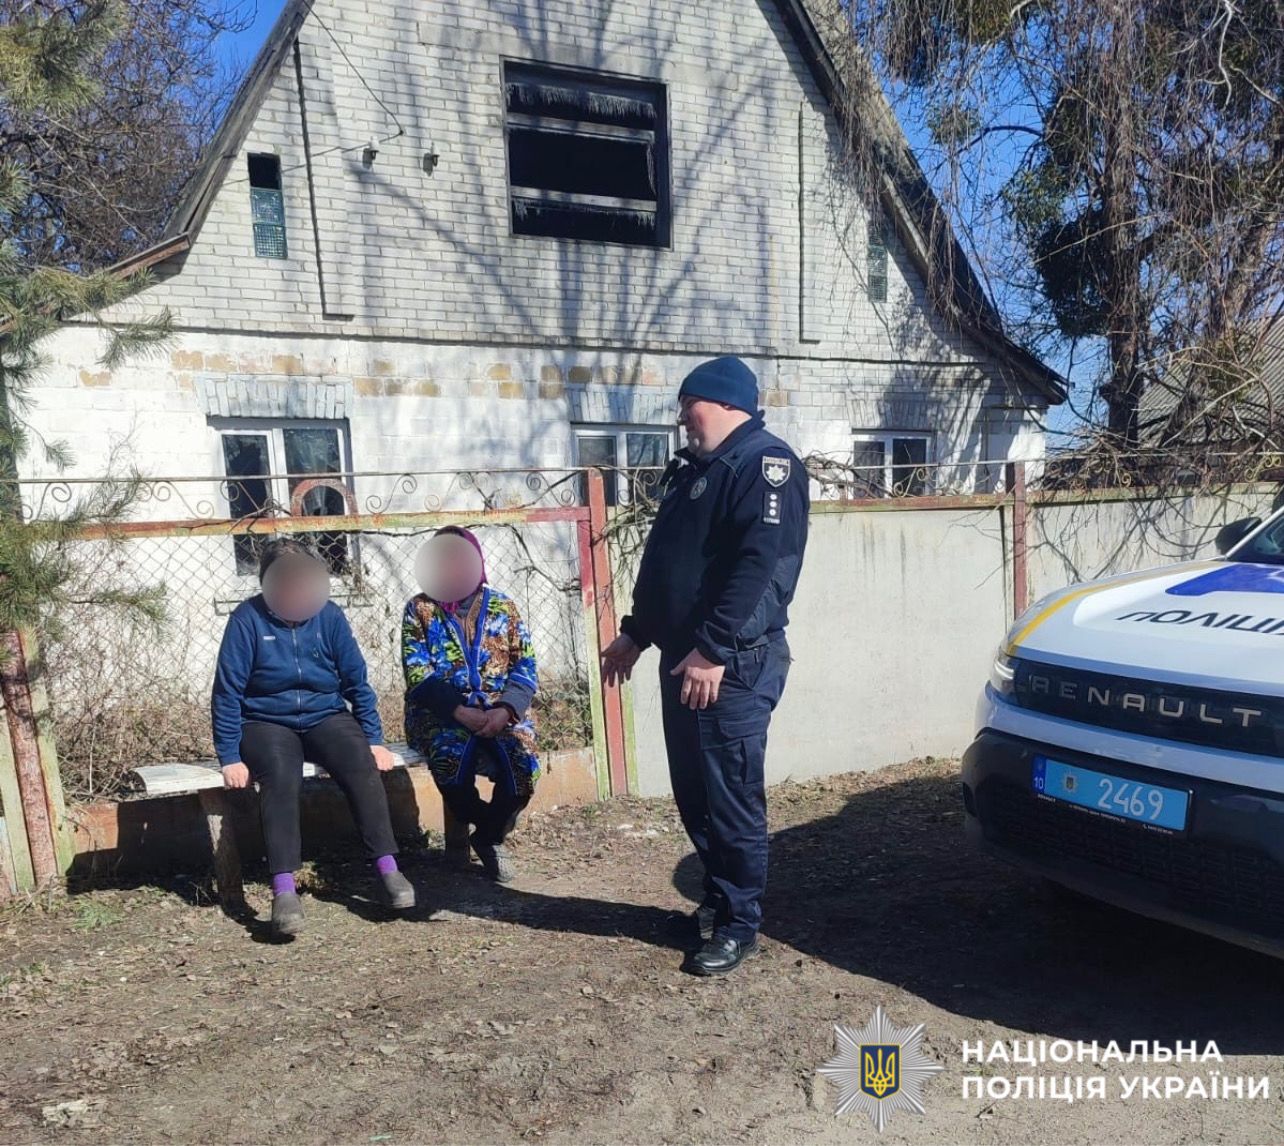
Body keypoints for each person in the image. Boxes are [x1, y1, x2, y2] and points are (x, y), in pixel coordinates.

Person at [601, 356, 809, 976]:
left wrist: (715, 648)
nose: (681, 420)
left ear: (720, 402)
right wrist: (637, 634)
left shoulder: (765, 466)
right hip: (685, 661)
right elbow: (670, 566)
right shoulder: (700, 470)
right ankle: (718, 903)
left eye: (687, 406)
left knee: (731, 797)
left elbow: (761, 568)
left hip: (730, 667)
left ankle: (740, 924)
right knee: (697, 797)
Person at [211, 537, 415, 939]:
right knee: (280, 775)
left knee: (359, 762)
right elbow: (227, 692)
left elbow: (357, 681)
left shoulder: (330, 617)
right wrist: (229, 755)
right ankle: (284, 888)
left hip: (325, 714)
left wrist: (373, 738)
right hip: (266, 721)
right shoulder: (246, 620)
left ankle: (389, 868)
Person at [401, 526, 540, 883]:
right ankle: (489, 833)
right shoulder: (419, 610)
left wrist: (505, 710)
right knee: (451, 770)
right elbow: (418, 674)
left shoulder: (502, 606)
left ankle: (489, 838)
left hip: (500, 710)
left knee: (522, 774)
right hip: (442, 713)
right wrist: (460, 712)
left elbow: (525, 664)